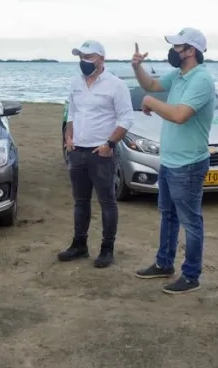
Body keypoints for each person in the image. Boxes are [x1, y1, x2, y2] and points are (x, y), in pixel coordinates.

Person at [131, 27, 215, 294]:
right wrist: (137, 67)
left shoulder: (201, 79)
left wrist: (150, 102)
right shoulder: (179, 75)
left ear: (191, 51)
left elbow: (180, 115)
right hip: (169, 160)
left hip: (188, 164)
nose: (174, 51)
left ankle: (191, 276)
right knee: (168, 215)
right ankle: (164, 263)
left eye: (178, 47)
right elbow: (151, 86)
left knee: (190, 221)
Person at [58, 40, 134, 268]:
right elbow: (72, 112)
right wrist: (68, 138)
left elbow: (126, 118)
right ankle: (79, 245)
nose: (84, 61)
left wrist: (109, 144)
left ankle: (107, 249)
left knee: (107, 202)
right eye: (81, 57)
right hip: (76, 151)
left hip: (101, 153)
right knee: (80, 201)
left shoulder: (116, 85)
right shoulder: (75, 82)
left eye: (89, 57)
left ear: (101, 59)